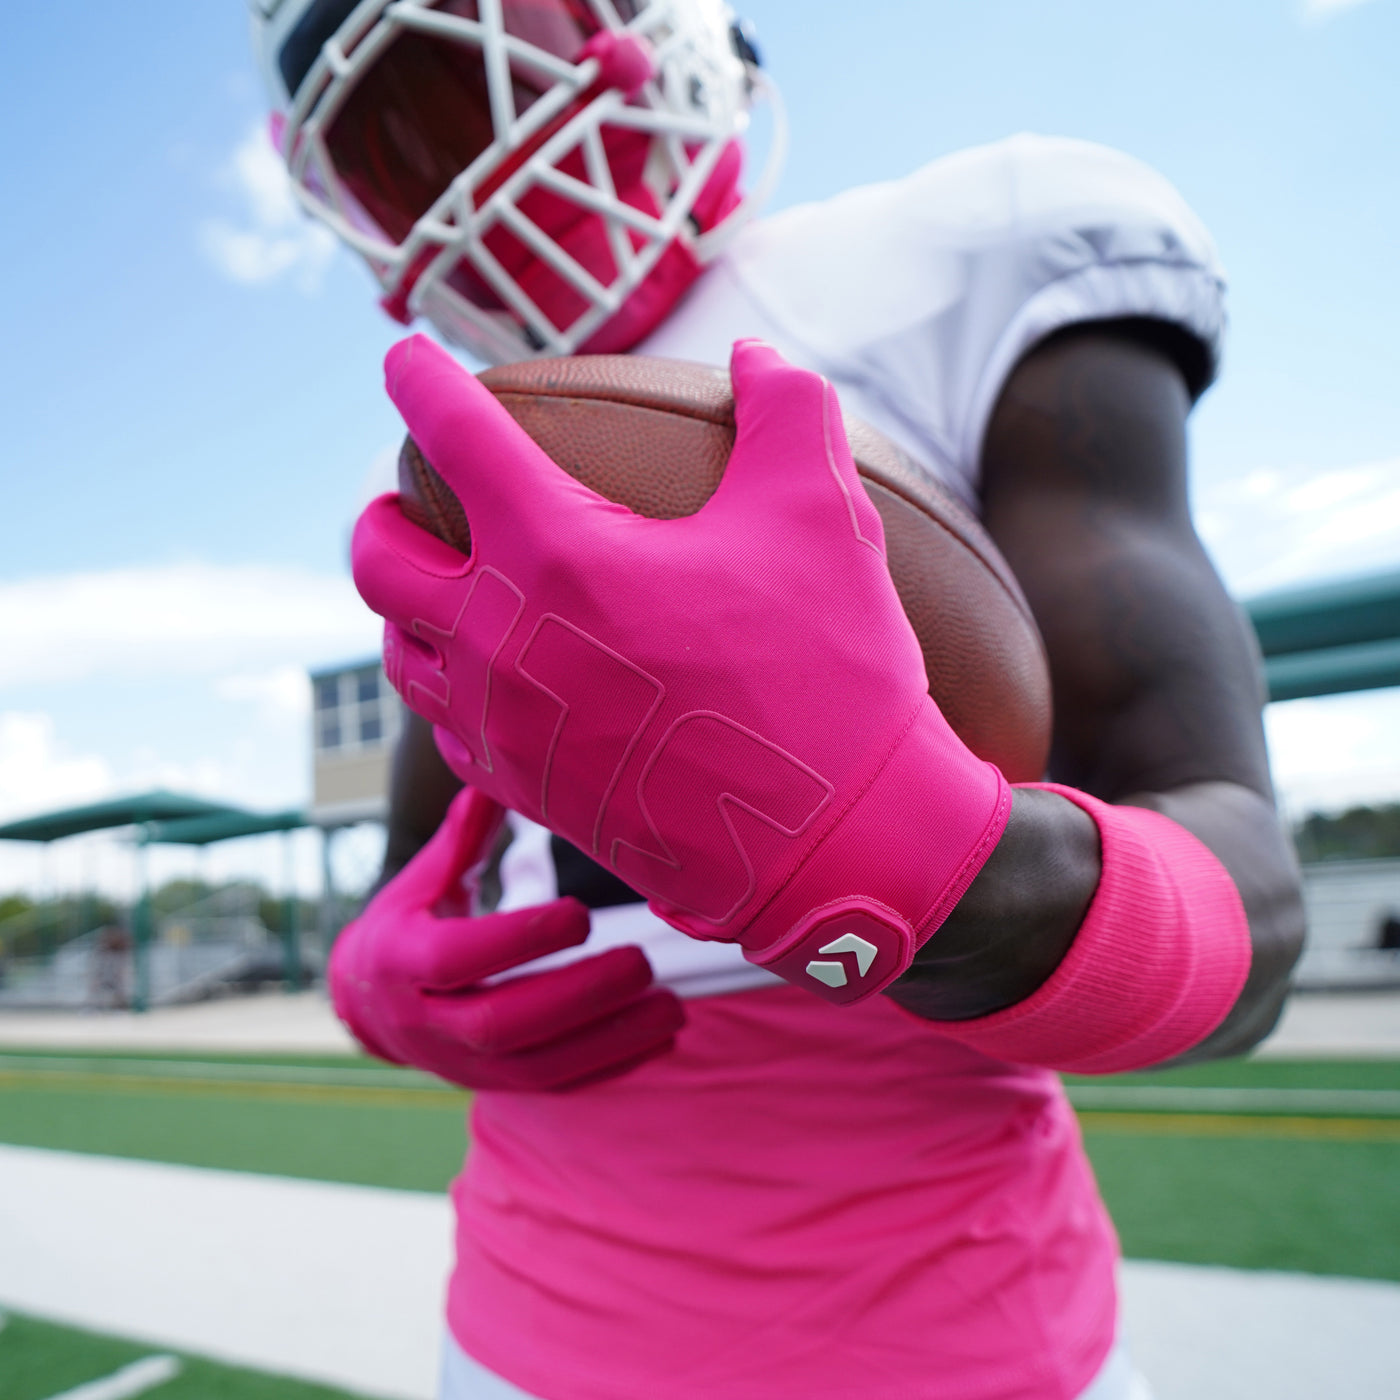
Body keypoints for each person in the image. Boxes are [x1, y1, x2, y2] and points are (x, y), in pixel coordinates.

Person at [250, 3, 1305, 1397]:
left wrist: (939, 878)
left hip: (943, 1339)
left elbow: (1253, 914)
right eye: (398, 139)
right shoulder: (478, 454)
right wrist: (378, 989)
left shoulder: (954, 258)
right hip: (511, 1330)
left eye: (476, 74)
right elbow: (427, 882)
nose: (473, 170)